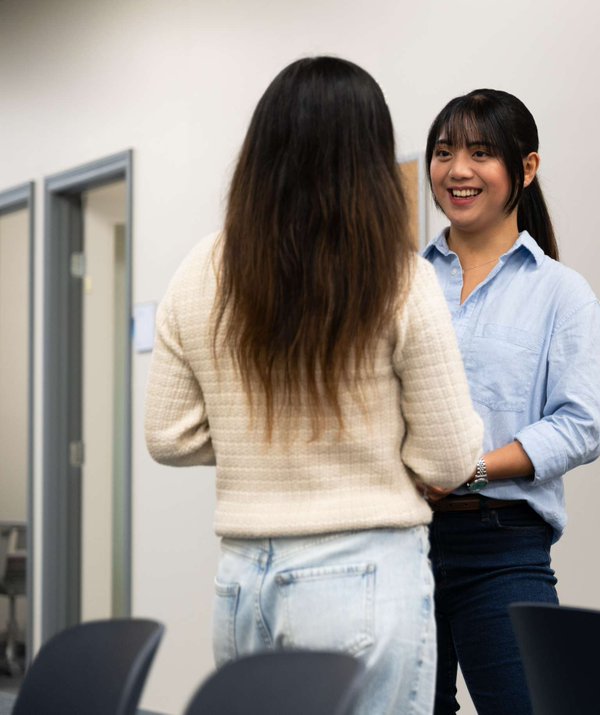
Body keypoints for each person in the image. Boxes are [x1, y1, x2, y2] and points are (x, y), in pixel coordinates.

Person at [144, 57, 483, 715]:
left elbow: (167, 434)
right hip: (364, 572)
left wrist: (258, 443)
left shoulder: (200, 269)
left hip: (242, 581)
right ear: (369, 158)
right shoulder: (396, 274)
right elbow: (449, 458)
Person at [420, 89, 600, 715]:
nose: (457, 170)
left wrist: (471, 468)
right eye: (444, 152)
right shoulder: (403, 285)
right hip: (399, 540)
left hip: (502, 548)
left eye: (480, 153)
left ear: (525, 169)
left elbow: (580, 426)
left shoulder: (562, 294)